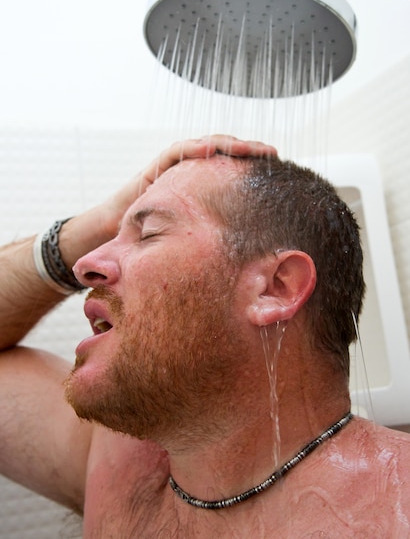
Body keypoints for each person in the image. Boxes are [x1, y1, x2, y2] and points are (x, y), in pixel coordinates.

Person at [1, 135, 410, 538]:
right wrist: (84, 231)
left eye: (149, 234)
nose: (85, 265)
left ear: (276, 287)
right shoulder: (115, 466)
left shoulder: (397, 507)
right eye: (103, 241)